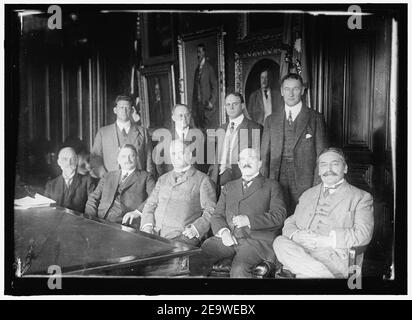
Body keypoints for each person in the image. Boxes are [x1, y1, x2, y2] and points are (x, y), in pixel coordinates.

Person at [273, 147, 374, 278]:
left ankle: (315, 274)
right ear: (319, 170)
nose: (329, 169)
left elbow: (363, 234)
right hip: (300, 250)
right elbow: (291, 221)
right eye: (324, 165)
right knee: (279, 242)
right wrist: (296, 235)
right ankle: (323, 276)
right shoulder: (307, 194)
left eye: (335, 164)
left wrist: (326, 241)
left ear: (345, 168)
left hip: (333, 255)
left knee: (304, 276)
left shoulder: (361, 197)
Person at [194, 148, 287, 278]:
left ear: (260, 163)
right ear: (238, 164)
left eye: (251, 158)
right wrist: (224, 232)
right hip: (228, 239)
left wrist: (249, 221)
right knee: (195, 260)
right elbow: (217, 215)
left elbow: (279, 216)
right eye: (242, 159)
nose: (246, 162)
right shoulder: (229, 187)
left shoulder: (272, 186)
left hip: (255, 242)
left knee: (239, 270)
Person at [261, 73, 328, 215]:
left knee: (302, 218)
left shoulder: (315, 118)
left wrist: (316, 187)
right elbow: (264, 158)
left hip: (305, 181)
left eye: (295, 89)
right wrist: (264, 185)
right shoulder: (271, 120)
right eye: (287, 89)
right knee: (277, 218)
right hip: (276, 179)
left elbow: (322, 157)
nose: (291, 94)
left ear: (302, 90)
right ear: (281, 91)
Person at [134, 140, 216, 246]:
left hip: (182, 237)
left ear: (189, 155)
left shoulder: (203, 180)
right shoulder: (162, 179)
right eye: (173, 153)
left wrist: (196, 229)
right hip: (154, 234)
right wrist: (147, 226)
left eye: (180, 153)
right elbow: (150, 205)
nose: (176, 157)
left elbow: (211, 210)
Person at [85, 144, 156, 226]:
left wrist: (137, 212)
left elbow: (154, 197)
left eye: (131, 156)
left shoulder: (146, 177)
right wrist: (91, 219)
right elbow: (93, 198)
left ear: (137, 158)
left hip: (127, 223)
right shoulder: (108, 176)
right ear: (118, 159)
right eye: (124, 156)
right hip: (101, 220)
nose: (127, 159)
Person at [90, 95, 154, 178]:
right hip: (111, 183)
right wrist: (105, 176)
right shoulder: (103, 133)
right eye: (121, 107)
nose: (124, 110)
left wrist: (148, 179)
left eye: (127, 107)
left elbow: (149, 159)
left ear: (132, 110)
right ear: (115, 110)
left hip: (137, 183)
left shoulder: (142, 132)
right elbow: (95, 157)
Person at [209, 92, 262, 188]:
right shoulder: (221, 129)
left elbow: (258, 159)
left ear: (242, 106)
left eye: (235, 104)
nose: (231, 107)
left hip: (241, 181)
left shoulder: (254, 128)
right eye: (228, 104)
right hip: (219, 180)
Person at [153, 104, 206, 176]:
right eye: (180, 115)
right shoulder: (165, 137)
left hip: (194, 181)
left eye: (186, 115)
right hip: (173, 181)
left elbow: (206, 163)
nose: (184, 118)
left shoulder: (200, 136)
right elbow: (159, 163)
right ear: (173, 118)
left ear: (190, 116)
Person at [44, 147, 96, 213]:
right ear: (59, 162)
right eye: (65, 159)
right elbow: (46, 209)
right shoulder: (51, 185)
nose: (69, 163)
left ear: (76, 161)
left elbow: (92, 207)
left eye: (72, 159)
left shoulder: (87, 181)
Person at [192, 43, 218, 129]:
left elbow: (215, 86)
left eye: (199, 52)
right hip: (198, 106)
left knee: (208, 130)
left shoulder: (209, 68)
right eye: (197, 52)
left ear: (204, 53)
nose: (198, 55)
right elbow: (195, 90)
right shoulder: (197, 69)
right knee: (200, 128)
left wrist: (211, 102)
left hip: (207, 105)